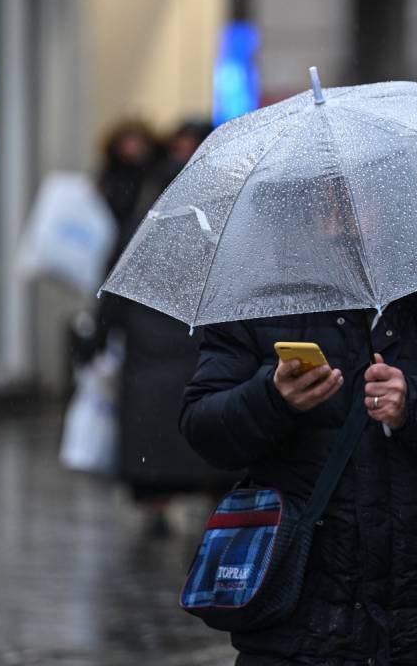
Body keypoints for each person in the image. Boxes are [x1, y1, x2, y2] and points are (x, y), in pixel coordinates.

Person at [179, 269, 417, 665]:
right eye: (325, 205)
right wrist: (271, 397)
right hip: (299, 621)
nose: (339, 215)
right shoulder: (257, 297)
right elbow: (204, 429)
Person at [91, 119, 236, 535]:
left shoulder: (141, 232)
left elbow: (111, 295)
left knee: (151, 433)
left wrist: (101, 338)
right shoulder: (216, 235)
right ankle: (208, 497)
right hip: (192, 350)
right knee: (196, 430)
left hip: (147, 354)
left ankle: (156, 502)